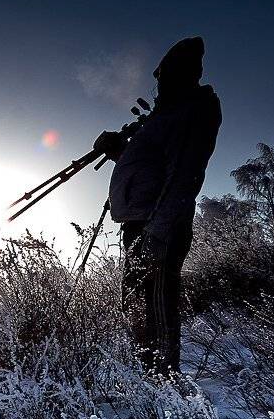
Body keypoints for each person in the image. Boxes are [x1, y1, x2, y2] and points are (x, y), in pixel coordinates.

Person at [93, 36, 222, 373]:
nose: (159, 82)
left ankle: (164, 385)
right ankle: (146, 376)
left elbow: (184, 174)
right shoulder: (163, 118)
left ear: (184, 73)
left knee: (156, 304)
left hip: (159, 224)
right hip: (140, 223)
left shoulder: (193, 110)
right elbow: (151, 166)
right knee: (136, 301)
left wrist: (158, 232)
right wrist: (117, 151)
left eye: (165, 75)